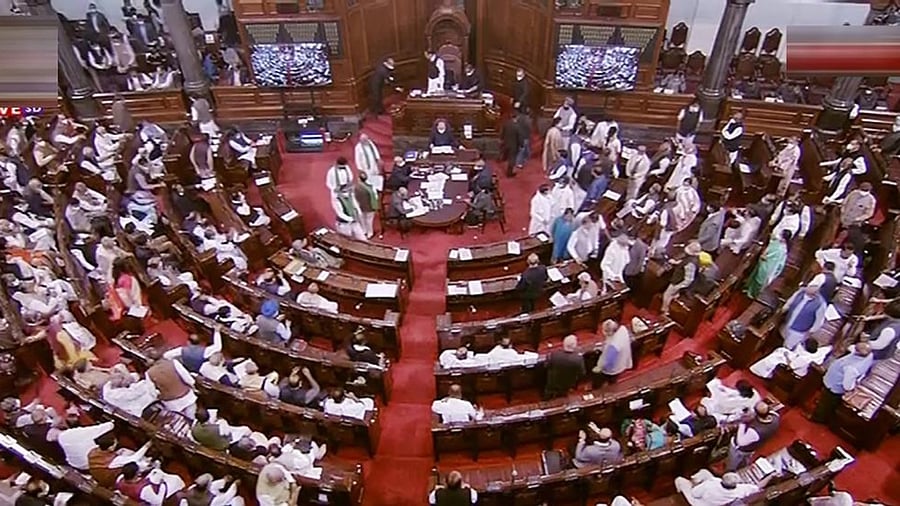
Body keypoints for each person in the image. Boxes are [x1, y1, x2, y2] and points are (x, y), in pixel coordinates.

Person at [812, 342, 873, 423]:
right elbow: (851, 347)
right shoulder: (868, 355)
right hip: (832, 381)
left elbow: (847, 386)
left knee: (825, 404)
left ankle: (817, 418)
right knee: (826, 402)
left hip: (834, 387)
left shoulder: (852, 368)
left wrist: (852, 387)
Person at [726, 402, 780, 471]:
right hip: (753, 447)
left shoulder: (755, 431)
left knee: (732, 463)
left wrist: (742, 423)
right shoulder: (775, 417)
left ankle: (730, 471)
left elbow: (740, 442)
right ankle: (742, 467)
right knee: (745, 460)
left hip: (739, 450)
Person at [88, 433, 152, 488]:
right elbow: (134, 459)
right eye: (115, 444)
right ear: (110, 447)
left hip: (100, 473)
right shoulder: (112, 460)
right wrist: (147, 446)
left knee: (123, 450)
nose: (117, 444)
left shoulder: (94, 451)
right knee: (141, 464)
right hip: (111, 480)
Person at [146, 350, 197, 418]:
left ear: (150, 360)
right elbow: (187, 378)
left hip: (171, 403)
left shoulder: (149, 373)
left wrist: (160, 397)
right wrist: (193, 387)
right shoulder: (173, 363)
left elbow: (152, 393)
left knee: (181, 421)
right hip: (187, 396)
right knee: (193, 417)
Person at [779, 282, 828, 350]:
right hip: (787, 323)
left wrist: (810, 332)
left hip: (798, 332)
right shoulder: (800, 293)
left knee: (787, 348)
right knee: (780, 341)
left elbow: (819, 322)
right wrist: (783, 309)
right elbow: (789, 303)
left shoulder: (820, 304)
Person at [744, 230, 791, 299]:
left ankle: (753, 294)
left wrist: (765, 257)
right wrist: (763, 253)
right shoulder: (777, 242)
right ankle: (748, 288)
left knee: (760, 279)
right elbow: (769, 247)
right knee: (755, 275)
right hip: (763, 261)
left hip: (769, 265)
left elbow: (776, 260)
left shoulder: (782, 249)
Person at [750, 339, 831, 378]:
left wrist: (786, 356)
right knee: (780, 350)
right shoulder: (818, 352)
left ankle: (763, 373)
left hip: (796, 373)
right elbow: (829, 347)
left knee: (774, 359)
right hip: (795, 361)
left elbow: (791, 366)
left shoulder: (804, 358)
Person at [673, 470, 762, 506]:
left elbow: (694, 494)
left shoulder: (710, 485)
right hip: (715, 502)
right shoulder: (740, 490)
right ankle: (694, 479)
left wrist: (695, 486)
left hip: (699, 503)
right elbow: (756, 488)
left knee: (679, 480)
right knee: (704, 472)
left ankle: (680, 496)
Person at [661, 241, 702, 314]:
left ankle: (665, 311)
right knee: (672, 295)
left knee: (667, 295)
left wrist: (678, 287)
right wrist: (676, 262)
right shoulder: (693, 258)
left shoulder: (691, 264)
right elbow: (684, 263)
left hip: (678, 282)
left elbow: (689, 279)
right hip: (678, 281)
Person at [592, 320, 633, 385]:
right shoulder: (622, 329)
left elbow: (608, 360)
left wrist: (599, 367)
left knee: (605, 378)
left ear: (609, 332)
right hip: (622, 360)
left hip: (612, 368)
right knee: (615, 377)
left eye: (604, 330)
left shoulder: (613, 346)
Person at [544, 334, 585, 399]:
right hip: (567, 384)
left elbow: (546, 366)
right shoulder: (578, 359)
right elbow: (582, 373)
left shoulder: (554, 355)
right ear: (574, 345)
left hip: (553, 383)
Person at [177, 473, 244, 506]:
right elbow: (228, 496)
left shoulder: (192, 488)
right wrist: (235, 484)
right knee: (238, 499)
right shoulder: (214, 501)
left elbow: (212, 486)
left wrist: (224, 480)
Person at [353, 171, 379, 239]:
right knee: (369, 220)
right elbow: (376, 196)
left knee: (362, 219)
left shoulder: (355, 187)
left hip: (360, 206)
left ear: (359, 178)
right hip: (370, 206)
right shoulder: (371, 186)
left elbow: (354, 198)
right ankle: (370, 233)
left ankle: (364, 231)